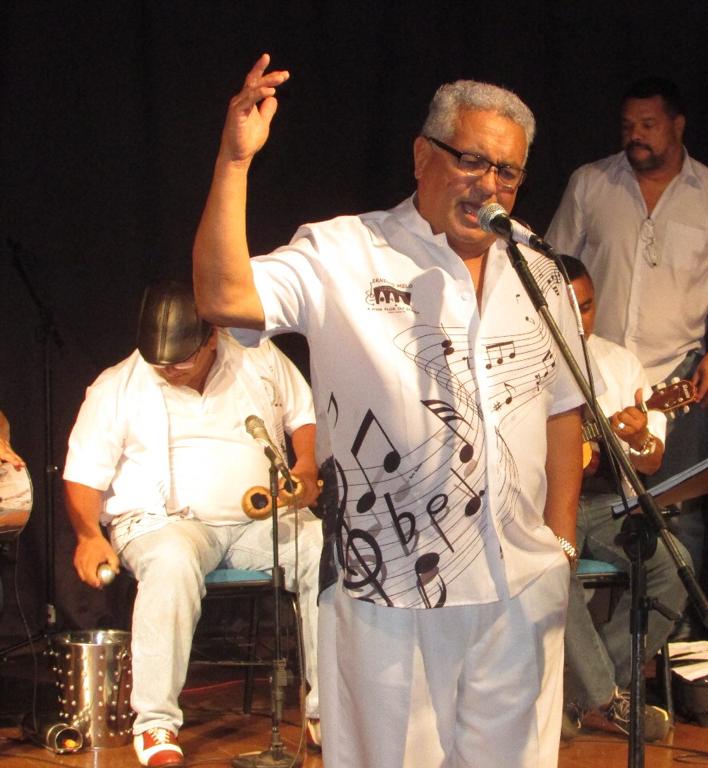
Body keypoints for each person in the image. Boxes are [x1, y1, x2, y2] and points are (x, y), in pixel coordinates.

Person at [193, 55, 584, 767]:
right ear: (422, 156)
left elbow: (563, 408)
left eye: (508, 172)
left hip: (522, 587)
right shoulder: (343, 251)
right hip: (390, 592)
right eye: (472, 161)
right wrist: (234, 162)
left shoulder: (539, 269)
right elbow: (224, 298)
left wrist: (560, 543)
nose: (490, 185)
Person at [63, 281, 323, 767]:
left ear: (211, 337)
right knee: (171, 560)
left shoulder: (257, 356)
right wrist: (87, 535)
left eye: (180, 360)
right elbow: (82, 473)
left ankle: (326, 710)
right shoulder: (116, 386)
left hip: (257, 521)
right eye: (160, 361)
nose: (169, 369)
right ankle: (155, 723)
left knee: (320, 547)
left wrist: (305, 465)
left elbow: (303, 413)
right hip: (164, 524)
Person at [546, 76, 708, 595]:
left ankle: (679, 633)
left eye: (648, 125)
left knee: (678, 508)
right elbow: (553, 265)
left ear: (677, 125)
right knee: (576, 504)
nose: (636, 135)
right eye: (628, 125)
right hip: (591, 369)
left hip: (677, 374)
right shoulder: (590, 183)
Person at [560, 257, 685, 742]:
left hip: (612, 504)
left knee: (673, 568)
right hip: (549, 505)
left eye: (588, 307)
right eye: (569, 308)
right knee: (554, 572)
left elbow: (652, 462)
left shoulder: (621, 363)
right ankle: (610, 700)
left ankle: (579, 693)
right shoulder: (520, 361)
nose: (580, 320)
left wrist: (638, 438)